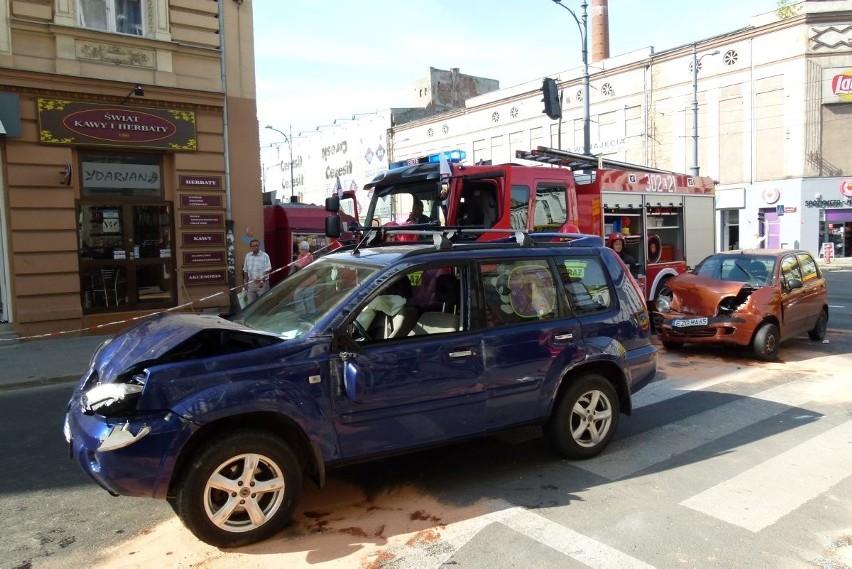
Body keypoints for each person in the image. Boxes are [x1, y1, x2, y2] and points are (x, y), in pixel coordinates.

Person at [242, 238, 271, 305]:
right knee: (250, 304)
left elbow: (268, 269)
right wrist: (245, 283)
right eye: (254, 246)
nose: (256, 247)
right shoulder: (248, 256)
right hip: (251, 283)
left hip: (262, 283)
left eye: (257, 245)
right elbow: (245, 270)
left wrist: (261, 281)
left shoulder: (265, 256)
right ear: (251, 247)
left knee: (262, 304)